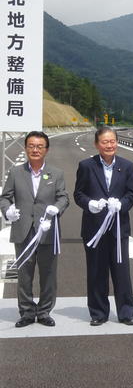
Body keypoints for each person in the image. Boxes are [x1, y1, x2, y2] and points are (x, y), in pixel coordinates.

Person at [0, 131, 69, 328]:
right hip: (23, 230)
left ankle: (45, 311)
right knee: (24, 274)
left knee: (48, 274)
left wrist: (57, 208)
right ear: (26, 147)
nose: (35, 149)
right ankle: (27, 312)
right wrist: (8, 211)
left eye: (39, 146)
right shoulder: (16, 172)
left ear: (46, 149)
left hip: (47, 230)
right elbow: (5, 197)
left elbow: (63, 197)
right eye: (31, 146)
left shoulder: (56, 173)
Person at [74, 127, 133, 326]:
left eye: (112, 141)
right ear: (96, 144)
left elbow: (132, 193)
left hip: (119, 228)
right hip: (94, 228)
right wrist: (89, 204)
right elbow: (79, 194)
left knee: (122, 272)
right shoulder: (86, 165)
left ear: (117, 142)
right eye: (105, 142)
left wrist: (122, 204)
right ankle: (98, 313)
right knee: (96, 271)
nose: (109, 145)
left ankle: (126, 312)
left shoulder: (127, 166)